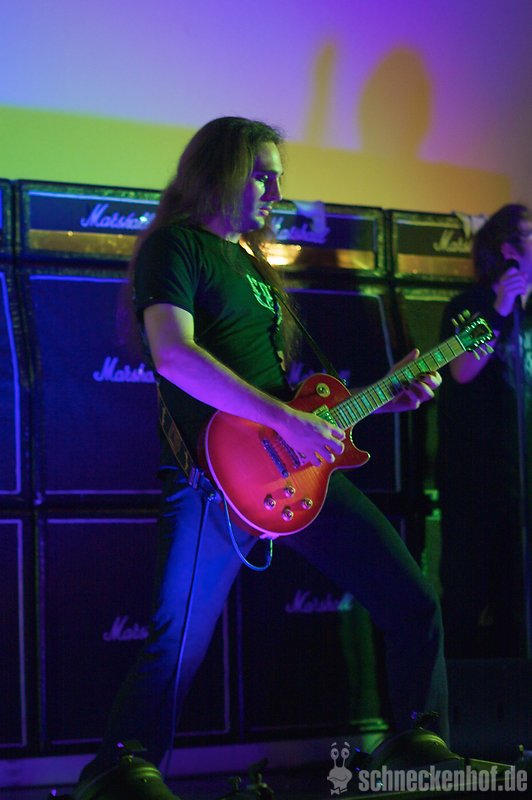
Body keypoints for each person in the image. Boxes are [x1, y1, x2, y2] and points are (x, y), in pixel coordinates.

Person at [77, 116, 448, 787]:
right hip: (210, 481)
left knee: (412, 601)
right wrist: (286, 419)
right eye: (261, 175)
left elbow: (290, 404)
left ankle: (419, 752)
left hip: (293, 474)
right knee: (174, 647)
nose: (277, 190)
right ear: (219, 173)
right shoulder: (176, 247)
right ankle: (119, 777)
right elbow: (174, 356)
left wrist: (382, 399)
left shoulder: (252, 264)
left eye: (277, 176)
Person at [437, 204, 532, 658]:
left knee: (517, 599)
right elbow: (461, 371)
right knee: (466, 592)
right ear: (509, 249)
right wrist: (498, 310)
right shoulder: (468, 307)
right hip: (475, 480)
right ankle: (459, 694)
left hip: (522, 482)